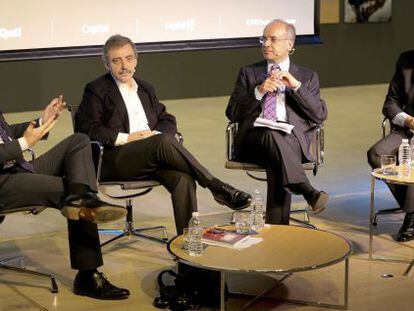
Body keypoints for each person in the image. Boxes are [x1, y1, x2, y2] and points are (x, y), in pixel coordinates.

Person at [75, 34, 251, 235]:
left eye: (129, 58)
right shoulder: (96, 89)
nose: (124, 65)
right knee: (162, 142)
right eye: (117, 61)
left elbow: (167, 119)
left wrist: (153, 135)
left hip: (151, 156)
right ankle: (216, 187)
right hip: (116, 159)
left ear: (136, 60)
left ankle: (188, 246)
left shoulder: (146, 88)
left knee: (183, 179)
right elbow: (87, 128)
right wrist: (128, 138)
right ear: (107, 65)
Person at [0, 96, 130, 299]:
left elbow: (4, 134)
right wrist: (25, 142)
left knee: (78, 142)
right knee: (72, 192)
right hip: (3, 183)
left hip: (17, 169)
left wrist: (41, 122)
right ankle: (88, 275)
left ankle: (83, 199)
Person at [226, 19, 329, 225]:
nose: (266, 44)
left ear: (290, 44)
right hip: (254, 140)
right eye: (263, 39)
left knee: (278, 153)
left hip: (292, 141)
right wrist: (259, 91)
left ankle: (277, 231)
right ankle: (306, 190)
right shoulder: (249, 72)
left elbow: (319, 115)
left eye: (273, 39)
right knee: (272, 135)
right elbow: (232, 112)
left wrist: (296, 87)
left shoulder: (306, 77)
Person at [367, 50, 414, 242]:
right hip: (408, 129)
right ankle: (412, 208)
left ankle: (411, 218)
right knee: (377, 154)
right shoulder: (406, 60)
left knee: (413, 159)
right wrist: (408, 120)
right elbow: (390, 104)